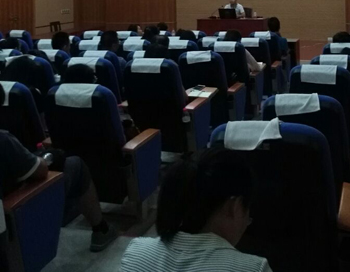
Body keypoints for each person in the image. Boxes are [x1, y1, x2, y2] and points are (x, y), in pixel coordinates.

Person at [0, 83, 118, 252]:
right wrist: (45, 158)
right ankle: (101, 230)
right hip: (15, 212)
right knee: (76, 165)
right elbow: (40, 171)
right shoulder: (4, 141)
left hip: (6, 210)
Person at [121, 148, 272, 272]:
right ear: (234, 206)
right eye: (247, 214)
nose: (246, 223)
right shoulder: (254, 268)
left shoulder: (137, 253)